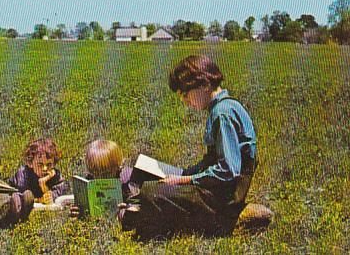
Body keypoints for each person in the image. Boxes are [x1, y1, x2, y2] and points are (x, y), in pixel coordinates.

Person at [119, 55, 273, 239]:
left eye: (186, 94)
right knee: (143, 170)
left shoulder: (222, 114)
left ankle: (134, 214)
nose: (185, 101)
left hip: (218, 198)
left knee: (151, 191)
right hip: (213, 189)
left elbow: (228, 170)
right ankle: (135, 210)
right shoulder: (224, 108)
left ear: (204, 84)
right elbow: (214, 161)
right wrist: (185, 174)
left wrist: (185, 180)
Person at [70, 139, 140, 218]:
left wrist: (129, 208)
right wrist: (79, 211)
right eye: (95, 173)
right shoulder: (89, 180)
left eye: (105, 173)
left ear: (118, 167)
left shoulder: (127, 179)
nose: (100, 177)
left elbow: (137, 203)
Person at [9, 138, 69, 205]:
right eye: (40, 164)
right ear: (30, 163)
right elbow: (21, 199)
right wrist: (40, 200)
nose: (45, 168)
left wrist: (43, 184)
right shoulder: (23, 174)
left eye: (49, 164)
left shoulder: (57, 177)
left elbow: (56, 198)